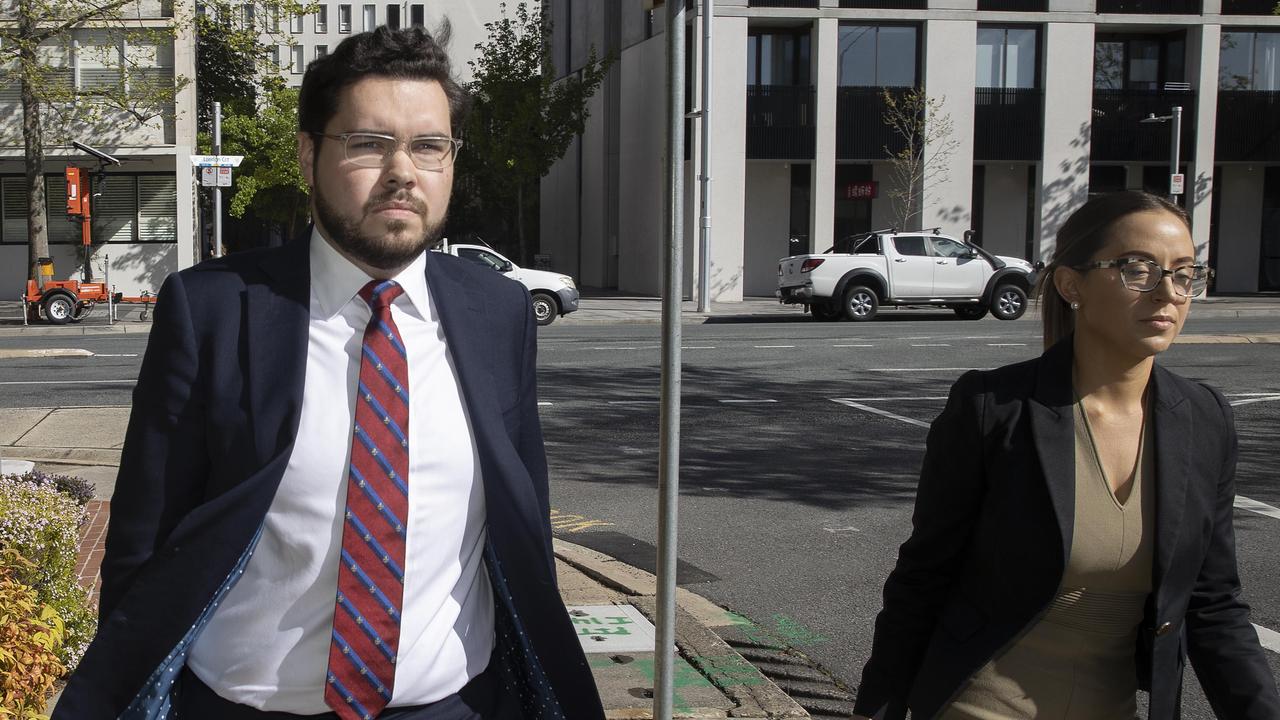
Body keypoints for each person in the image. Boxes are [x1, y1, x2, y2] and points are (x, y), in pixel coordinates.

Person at [54, 25, 604, 720]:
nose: (404, 171)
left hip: (452, 704)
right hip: (246, 705)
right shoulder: (216, 310)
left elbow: (524, 522)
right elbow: (144, 537)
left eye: (430, 146)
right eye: (369, 144)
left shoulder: (497, 311)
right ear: (310, 155)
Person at [851, 191, 1280, 720]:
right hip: (981, 706)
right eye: (1137, 269)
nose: (1168, 292)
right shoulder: (995, 409)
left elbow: (1213, 606)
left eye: (1184, 273)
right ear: (1071, 284)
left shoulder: (1205, 418)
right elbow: (923, 577)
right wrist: (878, 709)